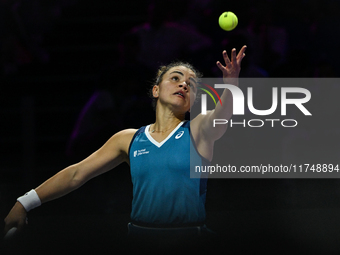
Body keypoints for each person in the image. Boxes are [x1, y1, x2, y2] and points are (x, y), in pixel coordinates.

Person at [4, 46, 247, 253]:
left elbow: (222, 115)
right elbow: (76, 174)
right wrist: (24, 203)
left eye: (191, 84)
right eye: (175, 78)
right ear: (155, 90)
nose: (184, 84)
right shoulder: (129, 139)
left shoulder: (199, 129)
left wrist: (231, 85)